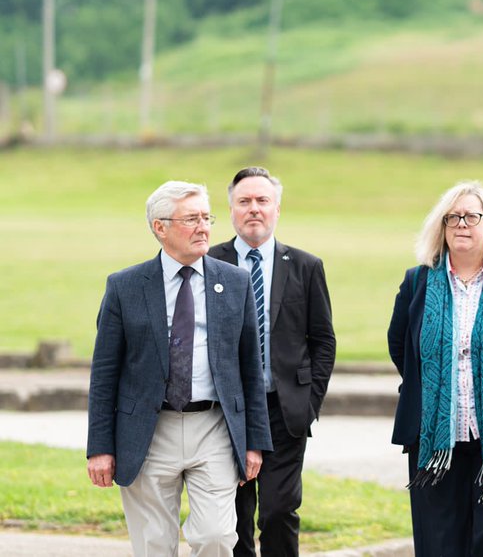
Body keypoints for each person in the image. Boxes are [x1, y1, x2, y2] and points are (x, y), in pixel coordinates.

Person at [86, 181, 272, 557]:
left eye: (207, 217)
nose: (204, 227)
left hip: (214, 428)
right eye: (192, 219)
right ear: (160, 227)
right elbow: (104, 373)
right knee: (154, 544)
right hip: (149, 431)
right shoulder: (125, 286)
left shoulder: (234, 282)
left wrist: (256, 440)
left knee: (216, 537)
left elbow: (251, 367)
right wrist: (100, 448)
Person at [387, 181, 483, 557]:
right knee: (441, 541)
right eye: (453, 217)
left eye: (472, 216)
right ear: (441, 227)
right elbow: (401, 346)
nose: (462, 224)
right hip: (434, 436)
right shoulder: (418, 282)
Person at [208, 167, 337, 557]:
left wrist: (308, 402)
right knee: (235, 514)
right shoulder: (210, 262)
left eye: (262, 201)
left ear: (277, 209)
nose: (254, 209)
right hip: (228, 410)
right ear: (231, 210)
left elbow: (324, 341)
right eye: (244, 202)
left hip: (285, 410)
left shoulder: (305, 266)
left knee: (279, 511)